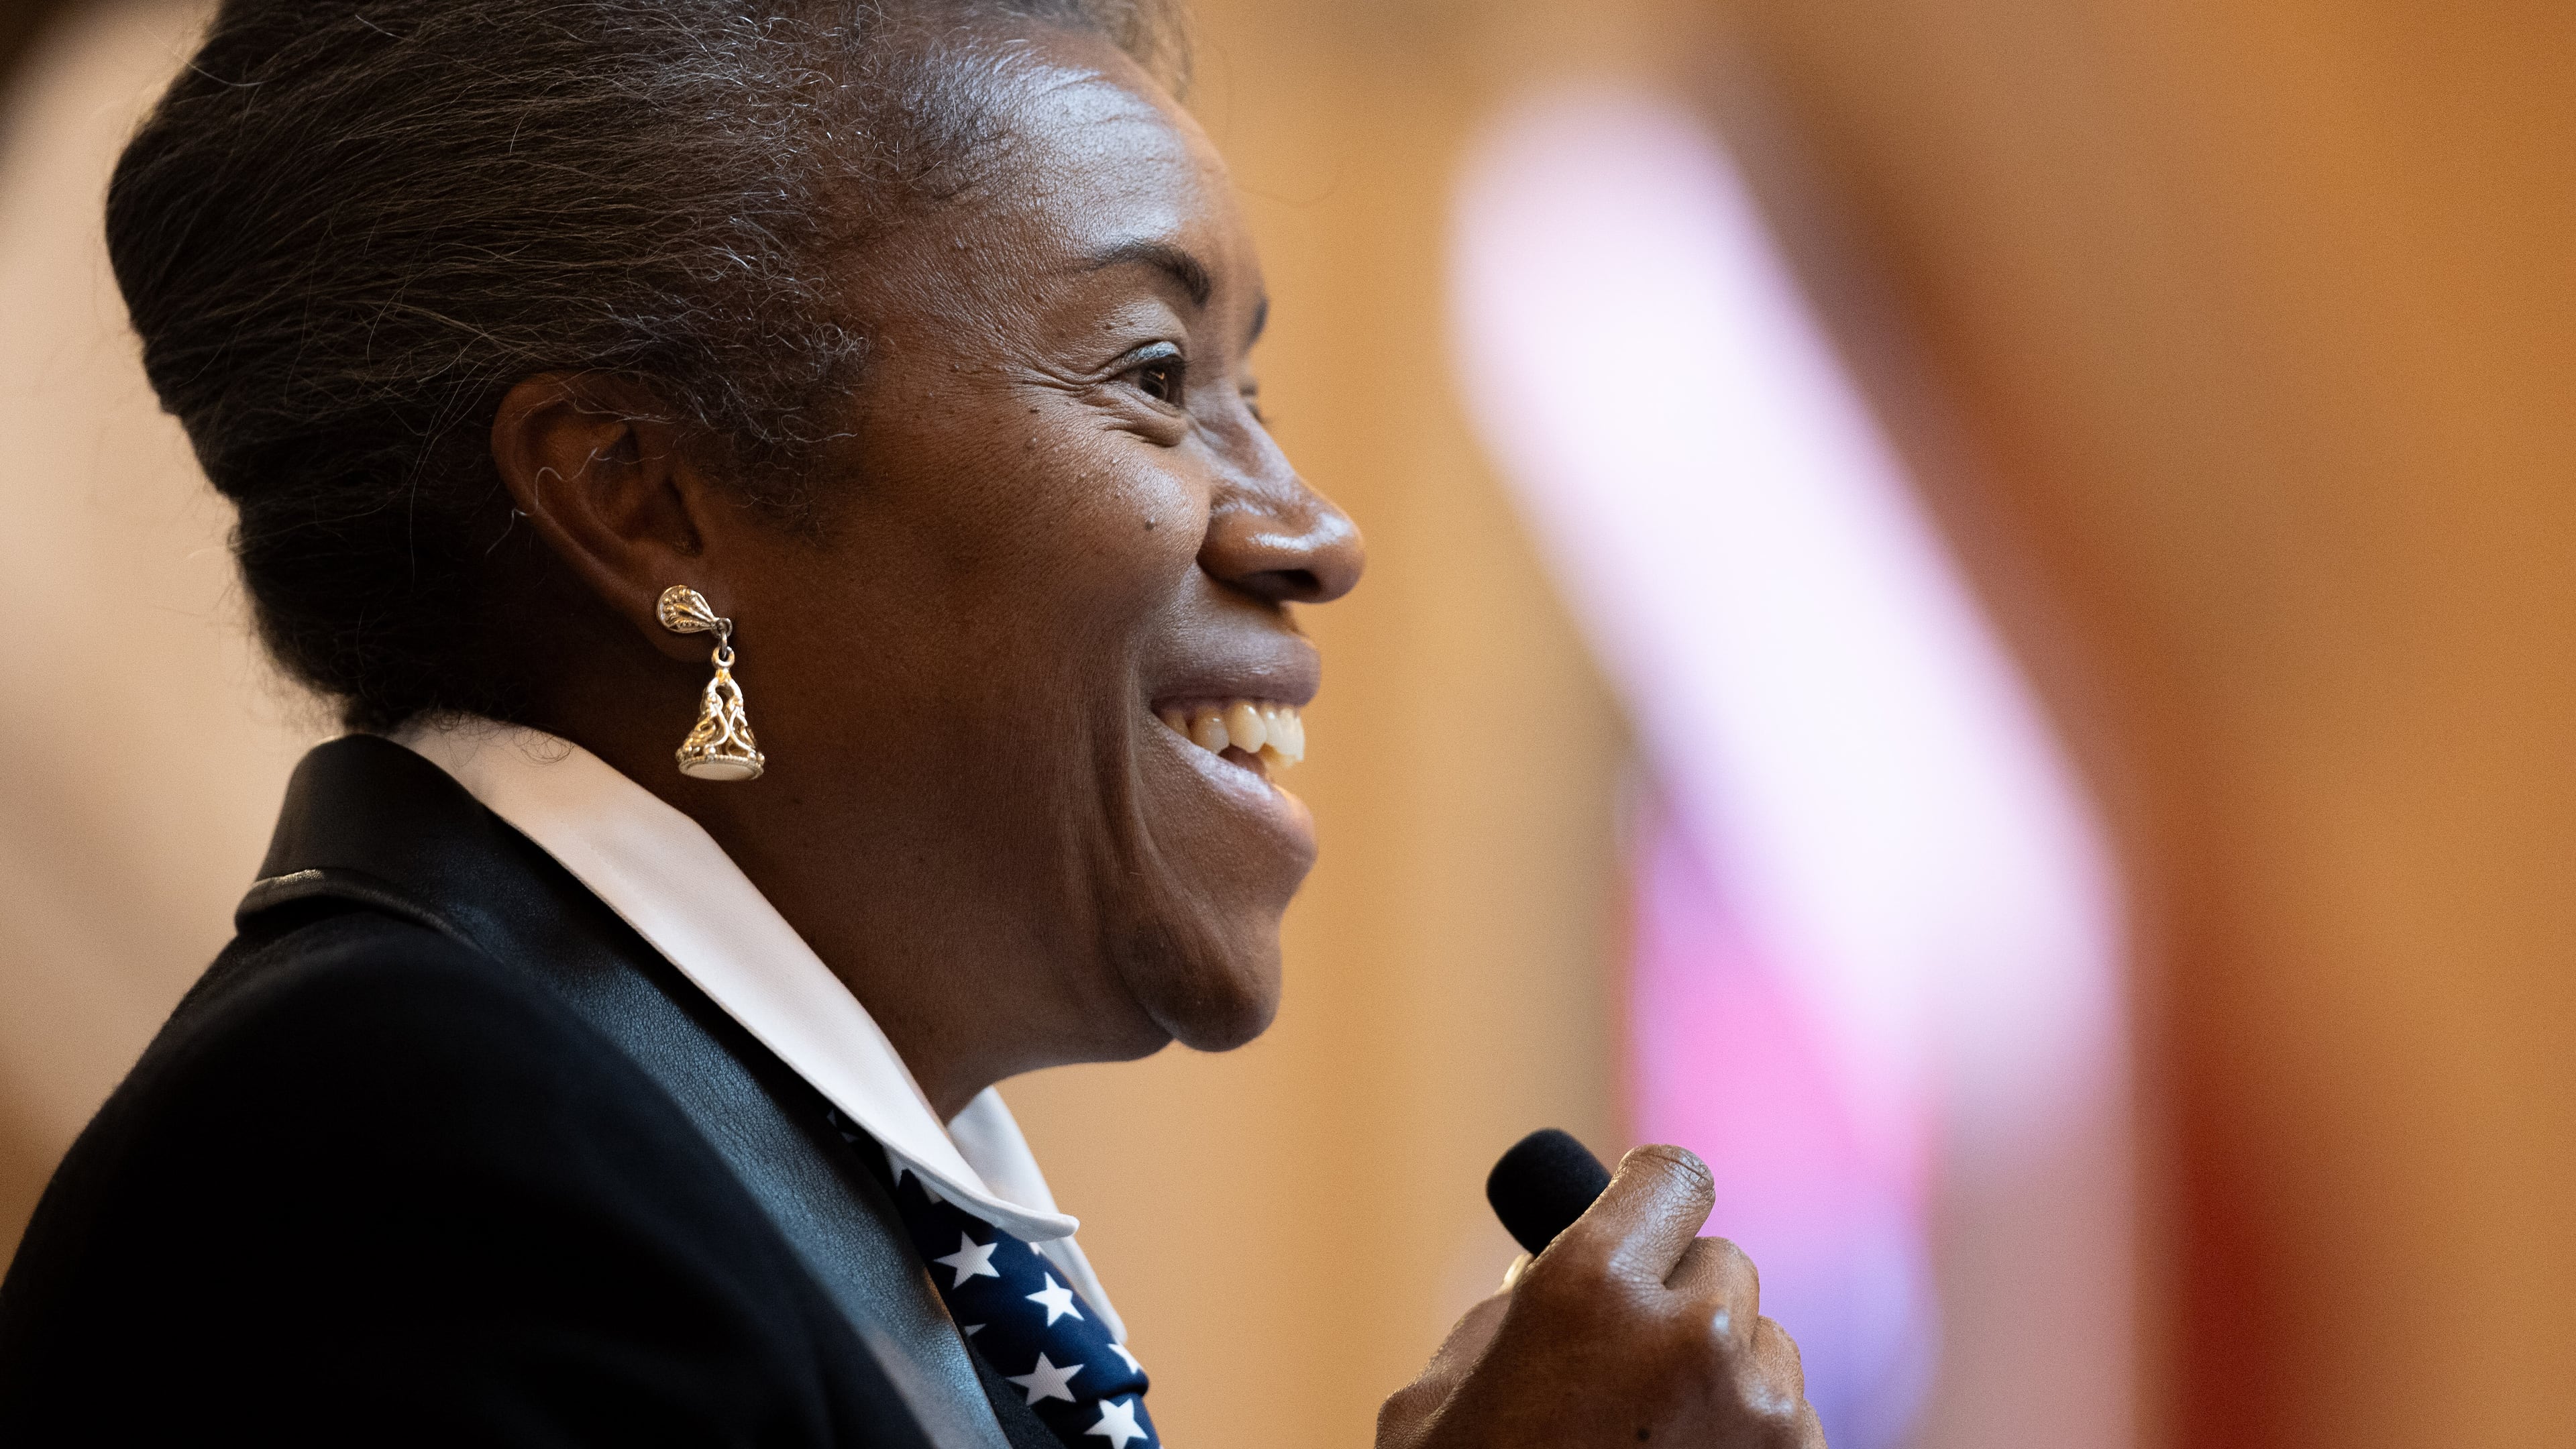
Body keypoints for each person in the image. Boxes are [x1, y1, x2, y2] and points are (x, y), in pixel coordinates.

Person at [0, 1, 1825, 1444]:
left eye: (1252, 386)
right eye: (1155, 374)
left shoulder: (739, 1169)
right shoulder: (412, 1159)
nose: (1314, 531)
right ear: (646, 501)